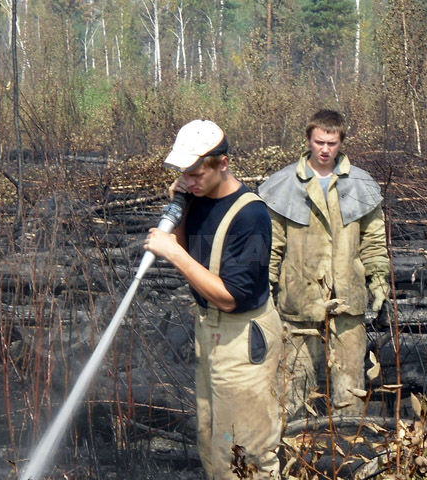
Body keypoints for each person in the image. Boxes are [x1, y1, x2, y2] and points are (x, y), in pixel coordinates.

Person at [144, 119, 282, 479]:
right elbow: (199, 258)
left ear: (222, 163)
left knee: (245, 453)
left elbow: (229, 297)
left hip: (243, 339)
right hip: (211, 335)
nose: (189, 182)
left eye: (195, 173)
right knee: (213, 445)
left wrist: (171, 252)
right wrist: (181, 207)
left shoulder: (251, 216)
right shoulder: (200, 198)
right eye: (183, 174)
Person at [258, 109, 390, 421]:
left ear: (341, 141)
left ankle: (345, 460)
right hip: (298, 304)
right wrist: (264, 286)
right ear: (308, 140)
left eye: (332, 142)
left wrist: (379, 281)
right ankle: (289, 457)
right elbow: (271, 244)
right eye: (319, 142)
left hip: (348, 304)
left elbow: (374, 241)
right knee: (292, 394)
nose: (325, 149)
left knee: (349, 397)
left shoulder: (360, 184)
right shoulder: (284, 185)